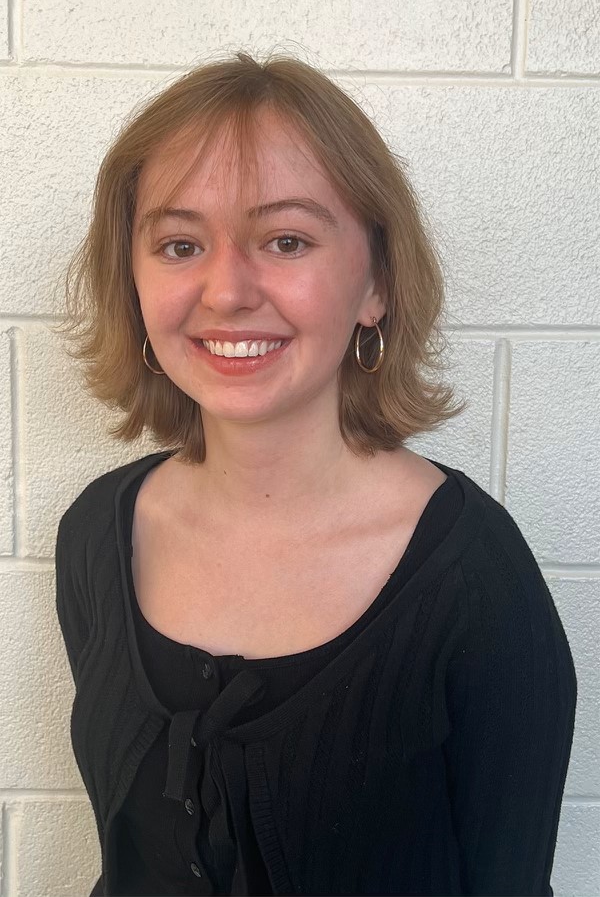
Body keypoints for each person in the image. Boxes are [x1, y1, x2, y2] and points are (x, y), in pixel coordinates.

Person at [55, 51, 577, 897]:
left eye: (286, 241)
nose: (226, 291)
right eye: (180, 245)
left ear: (376, 282)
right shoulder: (96, 534)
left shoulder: (476, 577)